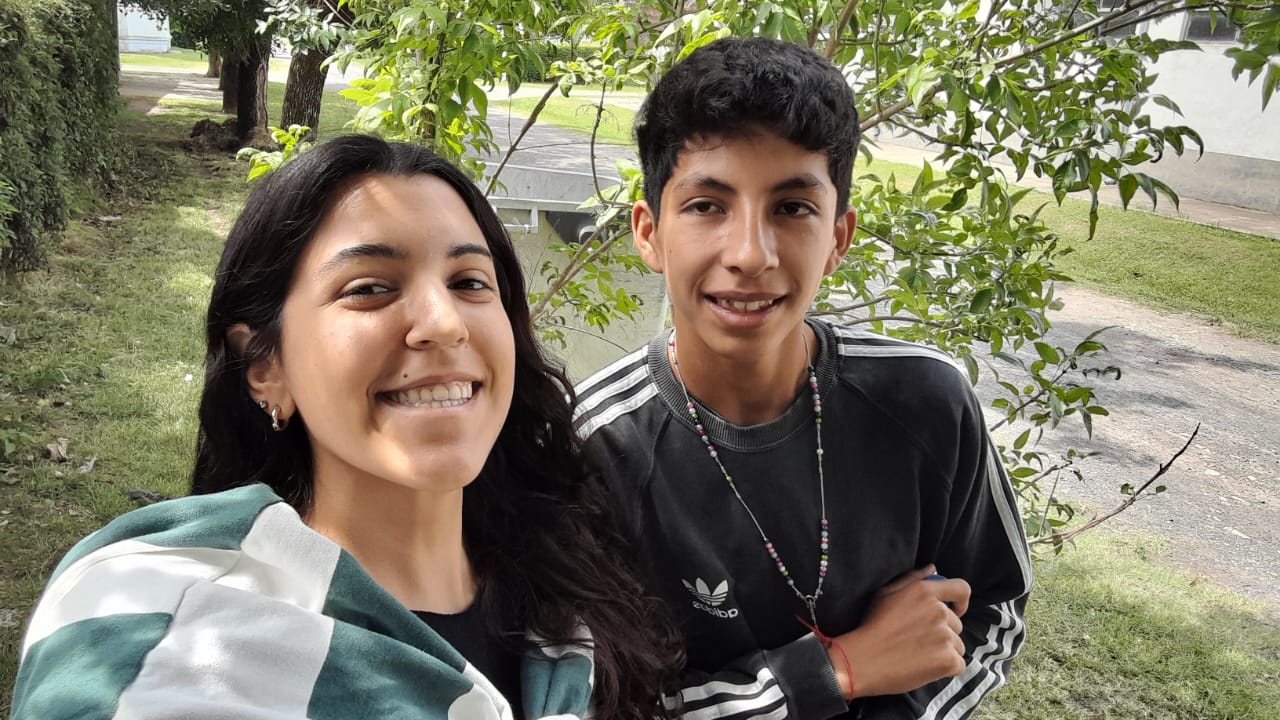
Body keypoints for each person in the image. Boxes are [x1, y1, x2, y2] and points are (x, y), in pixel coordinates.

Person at [11, 136, 681, 720]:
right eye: (368, 288)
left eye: (470, 282)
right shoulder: (167, 634)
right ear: (265, 367)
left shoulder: (573, 600)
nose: (444, 323)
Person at [574, 37, 1033, 719]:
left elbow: (992, 613)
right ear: (649, 233)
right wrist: (835, 672)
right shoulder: (594, 452)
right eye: (706, 206)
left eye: (791, 208)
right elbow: (603, 707)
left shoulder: (926, 402)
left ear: (838, 238)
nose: (750, 254)